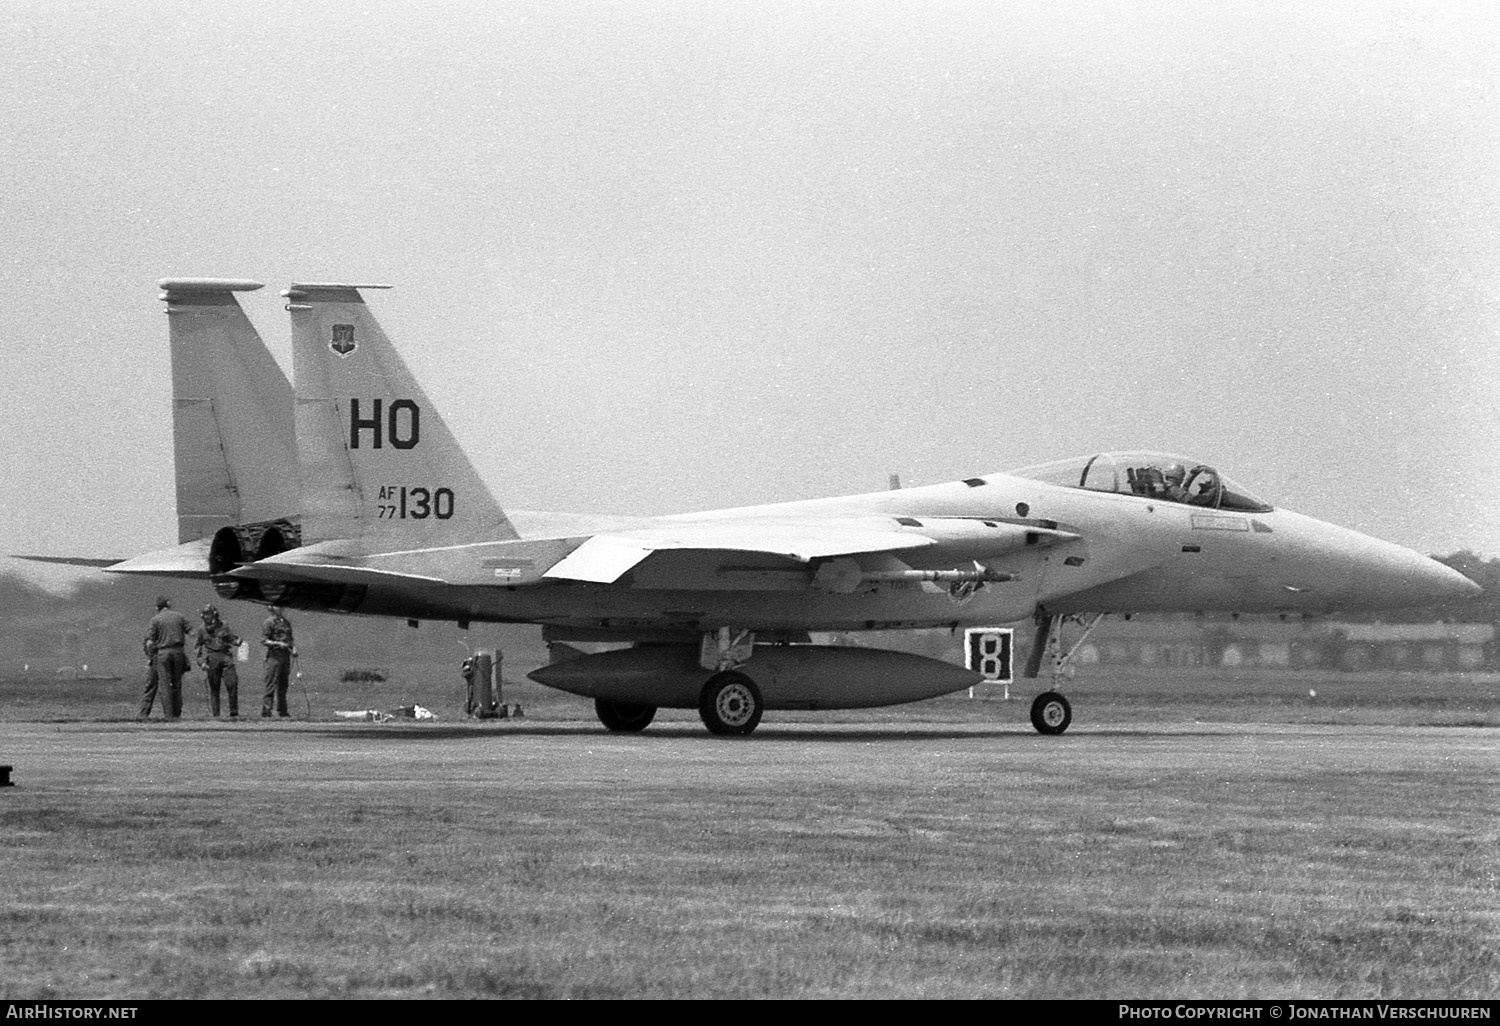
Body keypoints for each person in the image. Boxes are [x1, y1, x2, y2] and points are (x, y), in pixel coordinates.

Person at [145, 596, 192, 719]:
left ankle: (168, 716)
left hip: (163, 654)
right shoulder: (179, 616)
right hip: (178, 653)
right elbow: (192, 632)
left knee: (165, 686)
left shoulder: (155, 620)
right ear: (168, 604)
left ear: (157, 607)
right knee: (177, 684)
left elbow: (149, 641)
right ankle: (177, 714)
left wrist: (151, 656)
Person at [195, 604, 242, 718]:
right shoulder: (201, 630)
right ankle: (216, 715)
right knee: (214, 689)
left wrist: (239, 642)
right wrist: (201, 663)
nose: (206, 617)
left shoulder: (223, 625)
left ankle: (234, 713)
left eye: (208, 614)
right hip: (212, 658)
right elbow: (197, 648)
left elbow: (232, 638)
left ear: (214, 615)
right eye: (204, 614)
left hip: (226, 656)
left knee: (232, 684)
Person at [261, 604, 296, 718]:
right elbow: (264, 640)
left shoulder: (286, 622)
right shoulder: (269, 622)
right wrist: (278, 643)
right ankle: (266, 710)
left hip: (285, 656)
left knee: (283, 685)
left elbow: (290, 638)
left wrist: (293, 649)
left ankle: (283, 710)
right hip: (274, 656)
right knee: (271, 683)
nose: (280, 608)